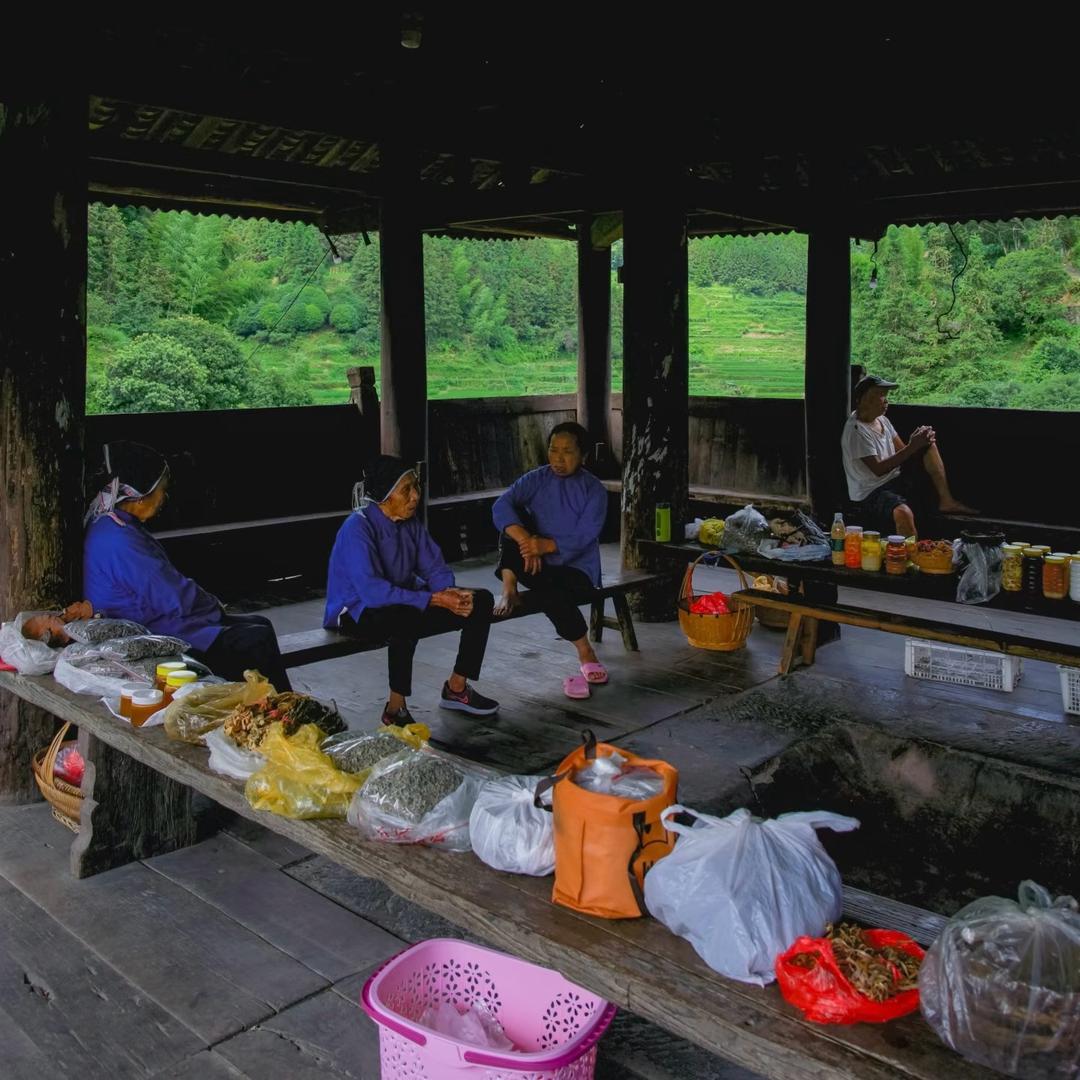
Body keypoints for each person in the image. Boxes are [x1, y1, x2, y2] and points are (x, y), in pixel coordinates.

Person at [83, 441, 292, 690]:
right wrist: (212, 606)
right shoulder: (119, 540)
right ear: (139, 496)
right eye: (161, 489)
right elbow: (172, 597)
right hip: (151, 633)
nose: (164, 497)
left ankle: (275, 704)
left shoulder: (113, 525)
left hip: (152, 618)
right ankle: (279, 712)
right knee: (255, 640)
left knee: (261, 624)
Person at [324, 455, 499, 725]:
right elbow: (373, 593)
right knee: (405, 617)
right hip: (356, 611)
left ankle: (456, 688)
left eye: (416, 486)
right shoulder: (357, 528)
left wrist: (450, 594)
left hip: (404, 600)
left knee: (481, 600)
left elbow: (435, 568)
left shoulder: (410, 523)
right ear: (384, 496)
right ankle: (396, 709)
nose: (416, 495)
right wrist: (433, 598)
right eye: (406, 489)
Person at [492, 422, 609, 699]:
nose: (558, 458)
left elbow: (585, 536)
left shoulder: (594, 490)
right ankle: (509, 589)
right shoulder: (537, 479)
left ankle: (584, 650)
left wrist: (546, 545)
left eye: (567, 451)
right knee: (511, 526)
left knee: (550, 591)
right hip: (536, 563)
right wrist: (525, 541)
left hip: (577, 571)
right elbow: (501, 505)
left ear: (584, 456)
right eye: (553, 450)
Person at [841, 374, 976, 537]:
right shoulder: (856, 431)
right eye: (881, 395)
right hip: (871, 491)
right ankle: (909, 558)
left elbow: (903, 450)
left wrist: (919, 441)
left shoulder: (882, 420)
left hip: (894, 478)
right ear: (865, 399)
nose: (886, 401)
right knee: (903, 513)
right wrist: (913, 446)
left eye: (886, 396)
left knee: (928, 445)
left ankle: (946, 501)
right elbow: (878, 469)